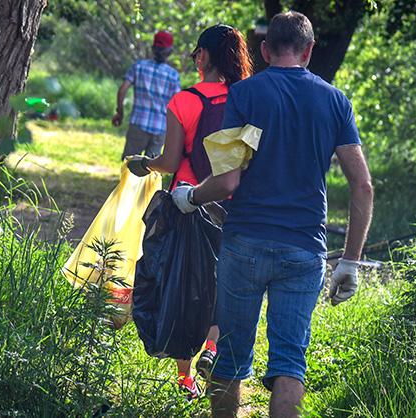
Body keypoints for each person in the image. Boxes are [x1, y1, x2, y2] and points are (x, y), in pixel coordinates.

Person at [169, 12, 374, 418]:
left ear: (264, 50)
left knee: (229, 359)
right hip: (303, 250)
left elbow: (228, 182)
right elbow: (363, 186)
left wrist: (190, 196)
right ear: (310, 50)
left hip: (244, 243)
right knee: (289, 363)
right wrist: (350, 261)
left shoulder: (246, 95)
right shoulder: (335, 101)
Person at [126, 24, 252, 400]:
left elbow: (169, 160)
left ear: (204, 56)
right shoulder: (243, 99)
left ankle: (185, 378)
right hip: (230, 205)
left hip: (186, 201)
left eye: (197, 52)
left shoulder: (184, 101)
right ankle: (212, 348)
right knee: (221, 282)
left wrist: (144, 164)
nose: (195, 58)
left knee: (182, 284)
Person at [112, 31, 181, 159]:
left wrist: (120, 113)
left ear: (153, 49)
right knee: (151, 172)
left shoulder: (138, 67)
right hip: (160, 129)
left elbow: (122, 90)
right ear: (170, 52)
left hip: (138, 125)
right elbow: (177, 106)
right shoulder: (173, 76)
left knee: (129, 166)